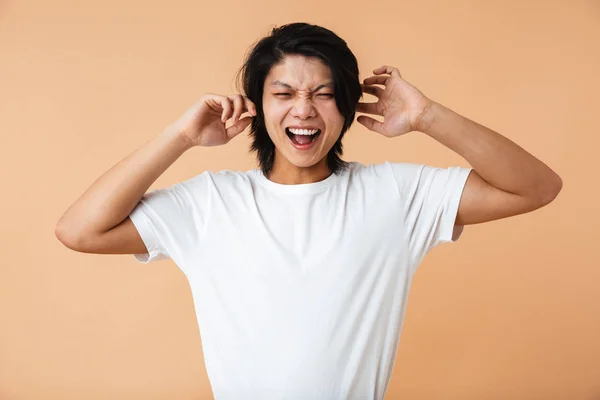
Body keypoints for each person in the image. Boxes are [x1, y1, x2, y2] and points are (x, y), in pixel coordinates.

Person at [55, 22, 562, 399]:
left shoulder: (395, 195)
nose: (304, 110)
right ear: (256, 105)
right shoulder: (211, 202)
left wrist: (428, 117)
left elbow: (535, 187)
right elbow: (79, 230)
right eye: (284, 93)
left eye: (323, 94)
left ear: (345, 107)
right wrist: (180, 137)